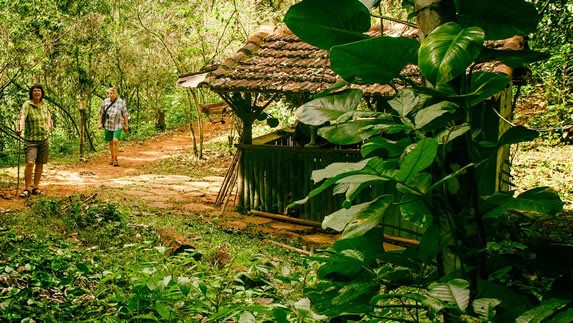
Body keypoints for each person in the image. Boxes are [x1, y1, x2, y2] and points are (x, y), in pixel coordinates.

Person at [16, 85, 52, 198]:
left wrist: (49, 126)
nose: (37, 92)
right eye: (35, 91)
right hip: (31, 140)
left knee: (40, 163)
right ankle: (26, 188)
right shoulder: (27, 104)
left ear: (42, 93)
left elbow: (48, 115)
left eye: (39, 91)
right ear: (32, 93)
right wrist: (20, 128)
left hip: (43, 138)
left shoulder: (44, 104)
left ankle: (35, 187)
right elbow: (23, 116)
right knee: (30, 163)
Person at [99, 87, 128, 166]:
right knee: (110, 142)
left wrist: (126, 124)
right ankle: (112, 158)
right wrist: (100, 123)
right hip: (108, 124)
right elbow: (101, 113)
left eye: (113, 93)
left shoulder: (121, 102)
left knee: (115, 140)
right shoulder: (105, 102)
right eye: (110, 93)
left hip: (118, 124)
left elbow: (125, 114)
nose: (112, 95)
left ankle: (115, 159)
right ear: (108, 94)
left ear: (116, 93)